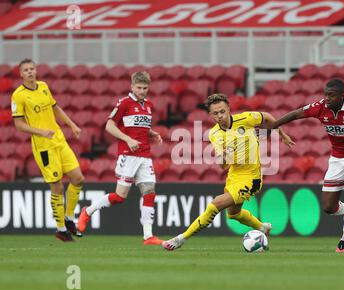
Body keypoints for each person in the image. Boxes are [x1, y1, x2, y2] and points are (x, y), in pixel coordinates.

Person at [162, 93, 295, 251]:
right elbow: (222, 167)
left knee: (215, 205)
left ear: (229, 109)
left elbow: (266, 117)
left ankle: (181, 238)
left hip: (251, 178)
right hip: (234, 176)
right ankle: (262, 227)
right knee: (233, 214)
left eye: (222, 111)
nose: (220, 116)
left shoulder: (245, 119)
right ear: (210, 115)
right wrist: (223, 157)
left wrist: (282, 135)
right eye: (216, 113)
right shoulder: (215, 134)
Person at [272, 78, 344, 253]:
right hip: (337, 159)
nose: (327, 98)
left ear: (342, 95)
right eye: (325, 94)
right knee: (328, 208)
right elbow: (296, 114)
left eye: (331, 95)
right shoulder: (320, 107)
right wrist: (273, 126)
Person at [77, 71, 164, 245]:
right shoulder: (124, 103)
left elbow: (141, 126)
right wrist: (128, 139)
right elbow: (109, 125)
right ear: (132, 87)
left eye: (145, 88)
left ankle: (148, 236)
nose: (142, 91)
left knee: (149, 192)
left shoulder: (148, 105)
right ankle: (88, 211)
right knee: (120, 196)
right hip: (128, 156)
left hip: (145, 156)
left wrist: (152, 133)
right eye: (139, 88)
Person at [11, 58, 84, 242]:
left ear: (36, 71)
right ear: (20, 74)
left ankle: (68, 218)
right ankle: (61, 230)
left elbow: (56, 108)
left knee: (78, 178)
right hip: (43, 146)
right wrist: (41, 132)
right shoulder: (18, 95)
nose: (29, 72)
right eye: (25, 70)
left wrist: (72, 125)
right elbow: (19, 125)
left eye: (32, 68)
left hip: (59, 140)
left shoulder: (43, 86)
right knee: (57, 186)